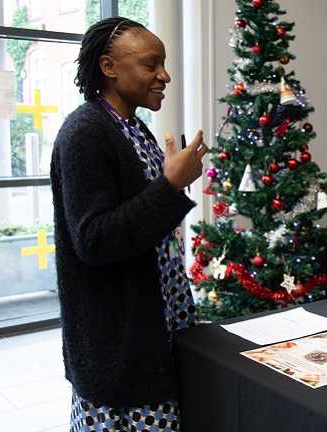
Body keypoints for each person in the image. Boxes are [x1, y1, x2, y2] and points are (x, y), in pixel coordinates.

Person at [50, 17, 206, 430]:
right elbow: (94, 240)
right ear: (109, 67)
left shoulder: (135, 129)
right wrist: (171, 184)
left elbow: (146, 222)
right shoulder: (84, 133)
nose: (164, 75)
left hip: (157, 326)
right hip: (116, 347)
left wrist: (170, 185)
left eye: (164, 64)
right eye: (151, 64)